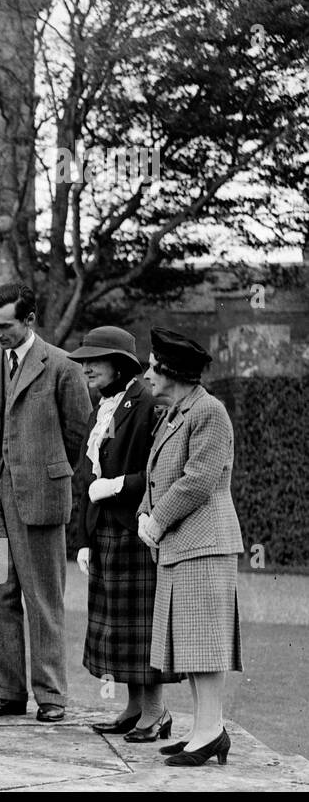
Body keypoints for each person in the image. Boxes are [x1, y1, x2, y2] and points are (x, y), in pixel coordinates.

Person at [0, 281, 93, 723]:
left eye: (5, 326)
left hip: (39, 496)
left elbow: (79, 433)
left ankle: (51, 696)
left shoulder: (62, 365)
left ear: (29, 320)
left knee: (43, 599)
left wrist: (46, 471)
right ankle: (5, 692)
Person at [68, 327, 182, 742]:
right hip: (106, 531)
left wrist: (119, 486)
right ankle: (134, 708)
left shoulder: (146, 403)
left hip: (136, 531)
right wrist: (83, 538)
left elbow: (161, 471)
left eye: (94, 361)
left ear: (120, 363)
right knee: (119, 629)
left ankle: (156, 712)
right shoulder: (105, 406)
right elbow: (86, 477)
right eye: (83, 361)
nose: (86, 368)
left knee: (141, 628)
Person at [139, 327, 245, 766]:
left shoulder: (209, 412)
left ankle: (210, 732)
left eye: (152, 366)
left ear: (172, 372)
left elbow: (198, 479)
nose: (147, 374)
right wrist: (147, 515)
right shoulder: (177, 412)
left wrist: (156, 520)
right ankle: (205, 730)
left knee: (204, 645)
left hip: (204, 542)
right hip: (182, 544)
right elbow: (156, 475)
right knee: (192, 644)